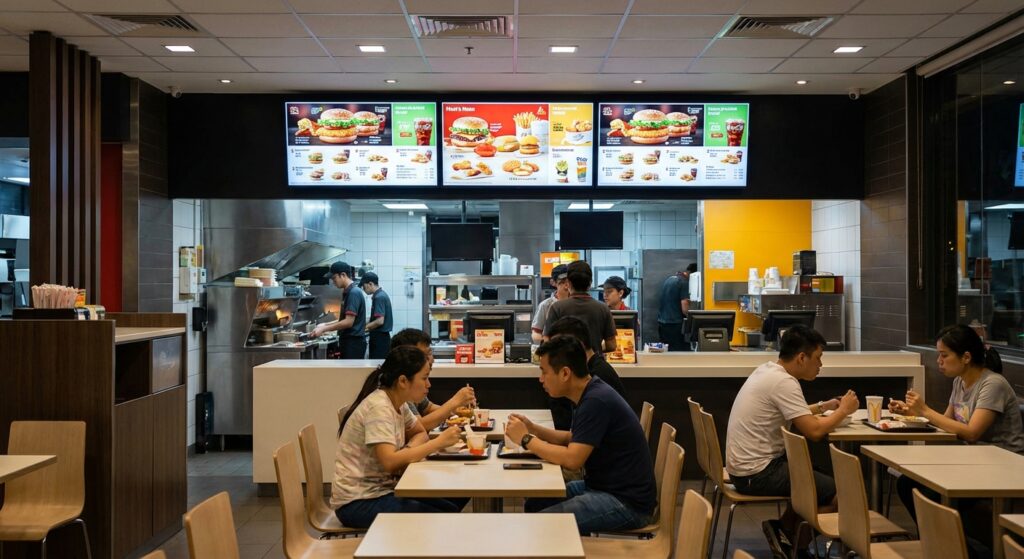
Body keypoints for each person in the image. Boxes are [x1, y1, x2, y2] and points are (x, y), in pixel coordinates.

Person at [505, 336, 656, 535]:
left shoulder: (596, 401)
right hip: (601, 486)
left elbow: (572, 459)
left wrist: (526, 439)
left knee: (541, 524)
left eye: (544, 371)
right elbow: (572, 438)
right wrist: (533, 428)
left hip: (626, 502)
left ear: (565, 373)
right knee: (536, 502)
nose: (540, 379)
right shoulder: (591, 391)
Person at [725, 324, 858, 543]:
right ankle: (793, 542)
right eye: (818, 358)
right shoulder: (784, 382)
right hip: (756, 474)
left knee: (812, 472)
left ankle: (784, 529)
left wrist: (824, 406)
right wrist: (844, 410)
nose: (821, 365)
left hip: (745, 468)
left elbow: (794, 411)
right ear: (801, 358)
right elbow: (814, 431)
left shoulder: (769, 370)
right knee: (844, 492)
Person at [890, 324, 1024, 525]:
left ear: (966, 357)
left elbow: (972, 433)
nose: (939, 361)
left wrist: (925, 410)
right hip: (974, 463)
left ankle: (955, 549)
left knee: (929, 495)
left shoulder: (993, 384)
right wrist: (911, 413)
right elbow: (945, 424)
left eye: (944, 355)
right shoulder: (959, 382)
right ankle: (936, 545)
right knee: (907, 484)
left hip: (1003, 467)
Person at [331, 346, 467, 528]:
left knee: (454, 500)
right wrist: (438, 443)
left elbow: (420, 432)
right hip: (358, 502)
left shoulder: (398, 404)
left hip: (382, 491)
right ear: (403, 381)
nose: (429, 385)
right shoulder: (379, 407)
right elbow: (389, 461)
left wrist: (408, 452)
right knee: (443, 516)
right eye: (425, 378)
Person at [545, 316, 628, 430]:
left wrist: (528, 440)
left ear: (578, 345)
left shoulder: (597, 378)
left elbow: (577, 445)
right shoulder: (590, 369)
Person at [389, 328, 476, 431]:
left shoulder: (409, 383)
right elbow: (418, 427)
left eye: (430, 353)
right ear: (407, 356)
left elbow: (427, 408)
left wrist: (456, 410)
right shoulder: (400, 389)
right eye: (425, 355)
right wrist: (454, 402)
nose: (432, 359)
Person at [543, 260, 617, 355]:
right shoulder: (603, 308)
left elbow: (547, 342)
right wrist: (595, 349)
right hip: (594, 366)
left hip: (567, 366)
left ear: (568, 283)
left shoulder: (557, 308)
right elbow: (611, 345)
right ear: (590, 283)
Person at [313, 261, 367, 359]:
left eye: (334, 278)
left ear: (343, 275)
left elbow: (348, 322)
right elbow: (345, 319)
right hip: (349, 342)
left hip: (353, 343)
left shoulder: (353, 293)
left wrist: (324, 329)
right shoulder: (349, 291)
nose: (333, 282)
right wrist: (325, 324)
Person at [657, 263, 696, 351]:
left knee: (667, 351)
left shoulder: (670, 279)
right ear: (693, 274)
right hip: (674, 324)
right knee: (678, 353)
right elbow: (684, 307)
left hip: (662, 323)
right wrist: (693, 319)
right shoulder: (684, 282)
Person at [532, 264, 570, 343]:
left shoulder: (577, 303)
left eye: (569, 281)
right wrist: (549, 342)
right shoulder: (545, 305)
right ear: (553, 282)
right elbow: (536, 333)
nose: (567, 285)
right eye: (563, 282)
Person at [360, 272, 393, 359]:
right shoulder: (381, 294)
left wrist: (363, 328)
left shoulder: (379, 297)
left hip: (380, 338)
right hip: (381, 337)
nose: (363, 289)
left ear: (370, 284)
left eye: (364, 286)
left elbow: (379, 321)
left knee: (377, 365)